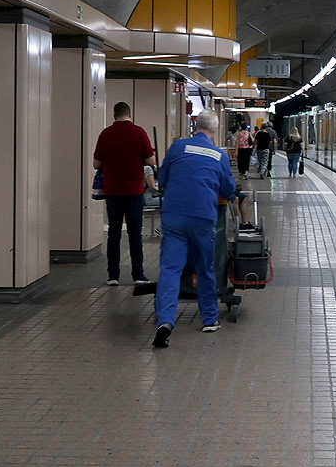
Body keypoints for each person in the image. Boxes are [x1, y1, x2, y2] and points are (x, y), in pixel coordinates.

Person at [152, 108, 236, 348]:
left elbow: (164, 180)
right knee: (205, 268)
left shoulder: (178, 147)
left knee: (170, 268)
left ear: (194, 127)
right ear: (214, 130)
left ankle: (165, 321)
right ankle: (209, 319)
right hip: (202, 217)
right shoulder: (218, 155)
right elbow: (228, 190)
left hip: (174, 217)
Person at [92, 102, 158, 286]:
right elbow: (150, 160)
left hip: (112, 191)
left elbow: (96, 164)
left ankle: (113, 276)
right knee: (135, 234)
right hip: (134, 191)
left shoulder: (106, 134)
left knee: (114, 233)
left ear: (114, 115)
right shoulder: (139, 132)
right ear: (130, 114)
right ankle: (138, 274)